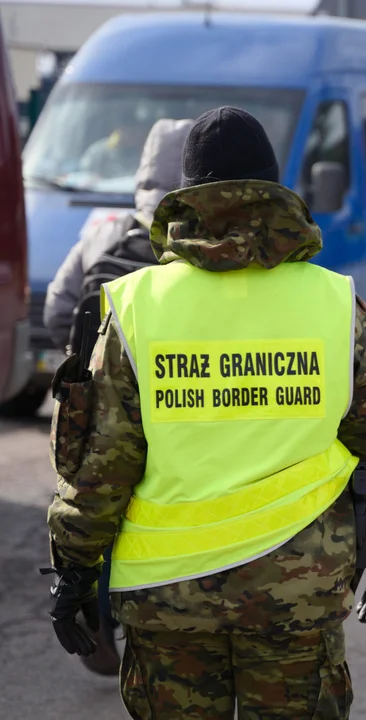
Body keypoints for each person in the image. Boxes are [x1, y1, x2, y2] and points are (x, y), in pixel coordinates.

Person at [44, 106, 366, 718]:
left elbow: (100, 468)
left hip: (169, 598)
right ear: (277, 191)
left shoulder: (135, 307)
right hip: (296, 591)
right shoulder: (335, 303)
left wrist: (75, 571)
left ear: (184, 197)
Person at [43, 117, 194, 678]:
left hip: (86, 416)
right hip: (168, 411)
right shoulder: (197, 246)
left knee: (95, 513)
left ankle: (97, 614)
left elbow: (60, 309)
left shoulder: (100, 231)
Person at [45, 118, 194, 353]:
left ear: (146, 165)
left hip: (102, 383)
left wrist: (87, 357)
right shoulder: (207, 245)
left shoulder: (102, 235)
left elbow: (57, 310)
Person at [79, 121, 149, 179]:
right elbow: (85, 173)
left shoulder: (149, 153)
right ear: (120, 130)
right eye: (130, 131)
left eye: (137, 132)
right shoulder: (99, 151)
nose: (134, 135)